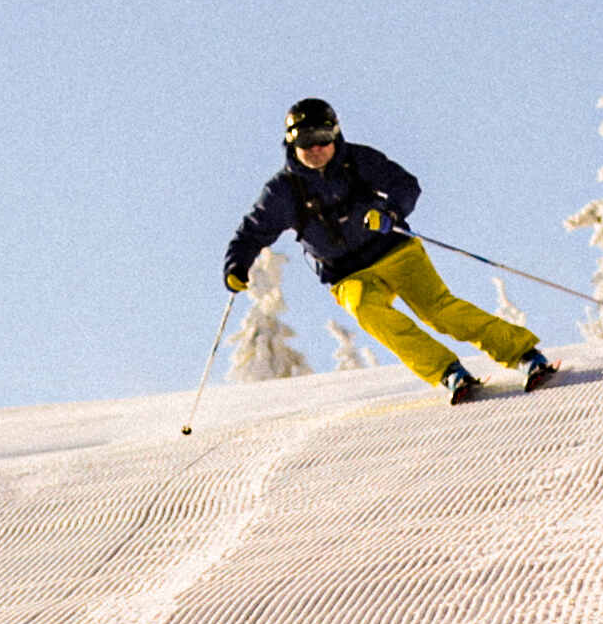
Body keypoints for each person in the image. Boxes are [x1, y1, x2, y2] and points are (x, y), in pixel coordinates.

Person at [222, 97, 555, 402]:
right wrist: (236, 266)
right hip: (346, 273)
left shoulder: (358, 160)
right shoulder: (283, 191)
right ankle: (448, 372)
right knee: (369, 312)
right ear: (292, 142)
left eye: (323, 138)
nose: (316, 149)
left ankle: (525, 355)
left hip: (395, 251)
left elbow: (405, 185)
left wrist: (390, 212)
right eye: (306, 141)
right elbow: (251, 233)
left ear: (336, 135)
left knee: (439, 311)